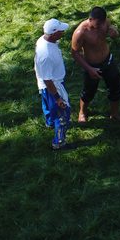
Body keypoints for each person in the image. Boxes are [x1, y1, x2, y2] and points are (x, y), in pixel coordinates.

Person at [70, 6, 120, 124]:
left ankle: (114, 114)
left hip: (108, 61)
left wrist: (114, 33)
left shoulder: (105, 22)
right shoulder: (81, 32)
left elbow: (115, 34)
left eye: (103, 23)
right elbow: (75, 53)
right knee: (88, 92)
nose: (101, 27)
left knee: (116, 88)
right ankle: (82, 112)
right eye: (98, 24)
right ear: (90, 19)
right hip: (92, 65)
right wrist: (89, 69)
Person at [34, 18, 72, 151]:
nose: (63, 32)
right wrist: (58, 98)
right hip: (53, 86)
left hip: (44, 84)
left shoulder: (43, 39)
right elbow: (48, 80)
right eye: (61, 31)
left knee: (48, 107)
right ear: (54, 33)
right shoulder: (46, 55)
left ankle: (50, 122)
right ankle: (59, 142)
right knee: (63, 114)